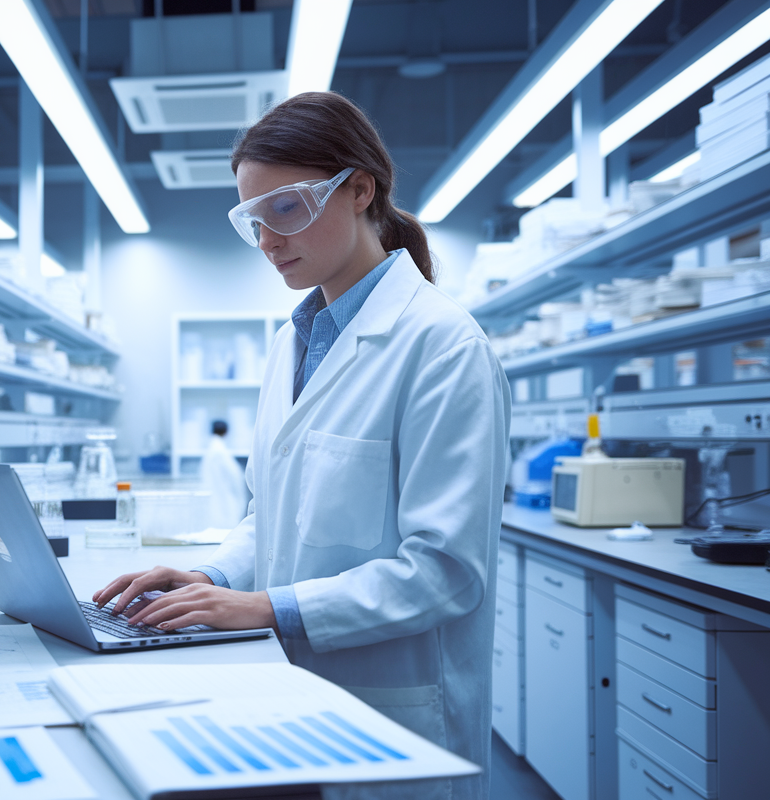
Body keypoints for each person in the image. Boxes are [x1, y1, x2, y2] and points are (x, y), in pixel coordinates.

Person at [93, 92, 510, 800]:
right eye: (252, 220)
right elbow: (271, 514)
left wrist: (268, 608)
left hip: (396, 710)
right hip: (291, 695)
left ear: (358, 191)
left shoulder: (443, 347)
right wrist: (215, 580)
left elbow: (445, 571)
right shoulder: (295, 339)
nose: (267, 240)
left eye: (284, 210)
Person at [199, 420, 247, 528]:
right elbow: (235, 476)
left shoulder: (212, 450)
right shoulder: (219, 451)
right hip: (223, 501)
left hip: (216, 499)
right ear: (226, 432)